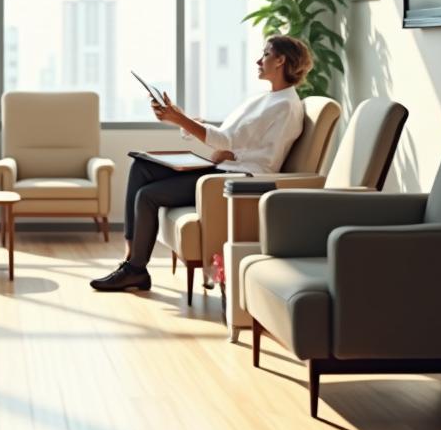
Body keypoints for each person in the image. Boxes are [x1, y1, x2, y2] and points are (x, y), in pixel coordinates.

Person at [91, 34, 311, 293]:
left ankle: (136, 270)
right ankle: (130, 260)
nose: (258, 60)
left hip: (237, 180)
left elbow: (251, 152)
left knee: (147, 196)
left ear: (280, 60)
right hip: (224, 169)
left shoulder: (285, 106)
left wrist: (222, 148)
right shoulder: (264, 99)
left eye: (265, 54)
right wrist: (181, 118)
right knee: (141, 166)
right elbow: (230, 136)